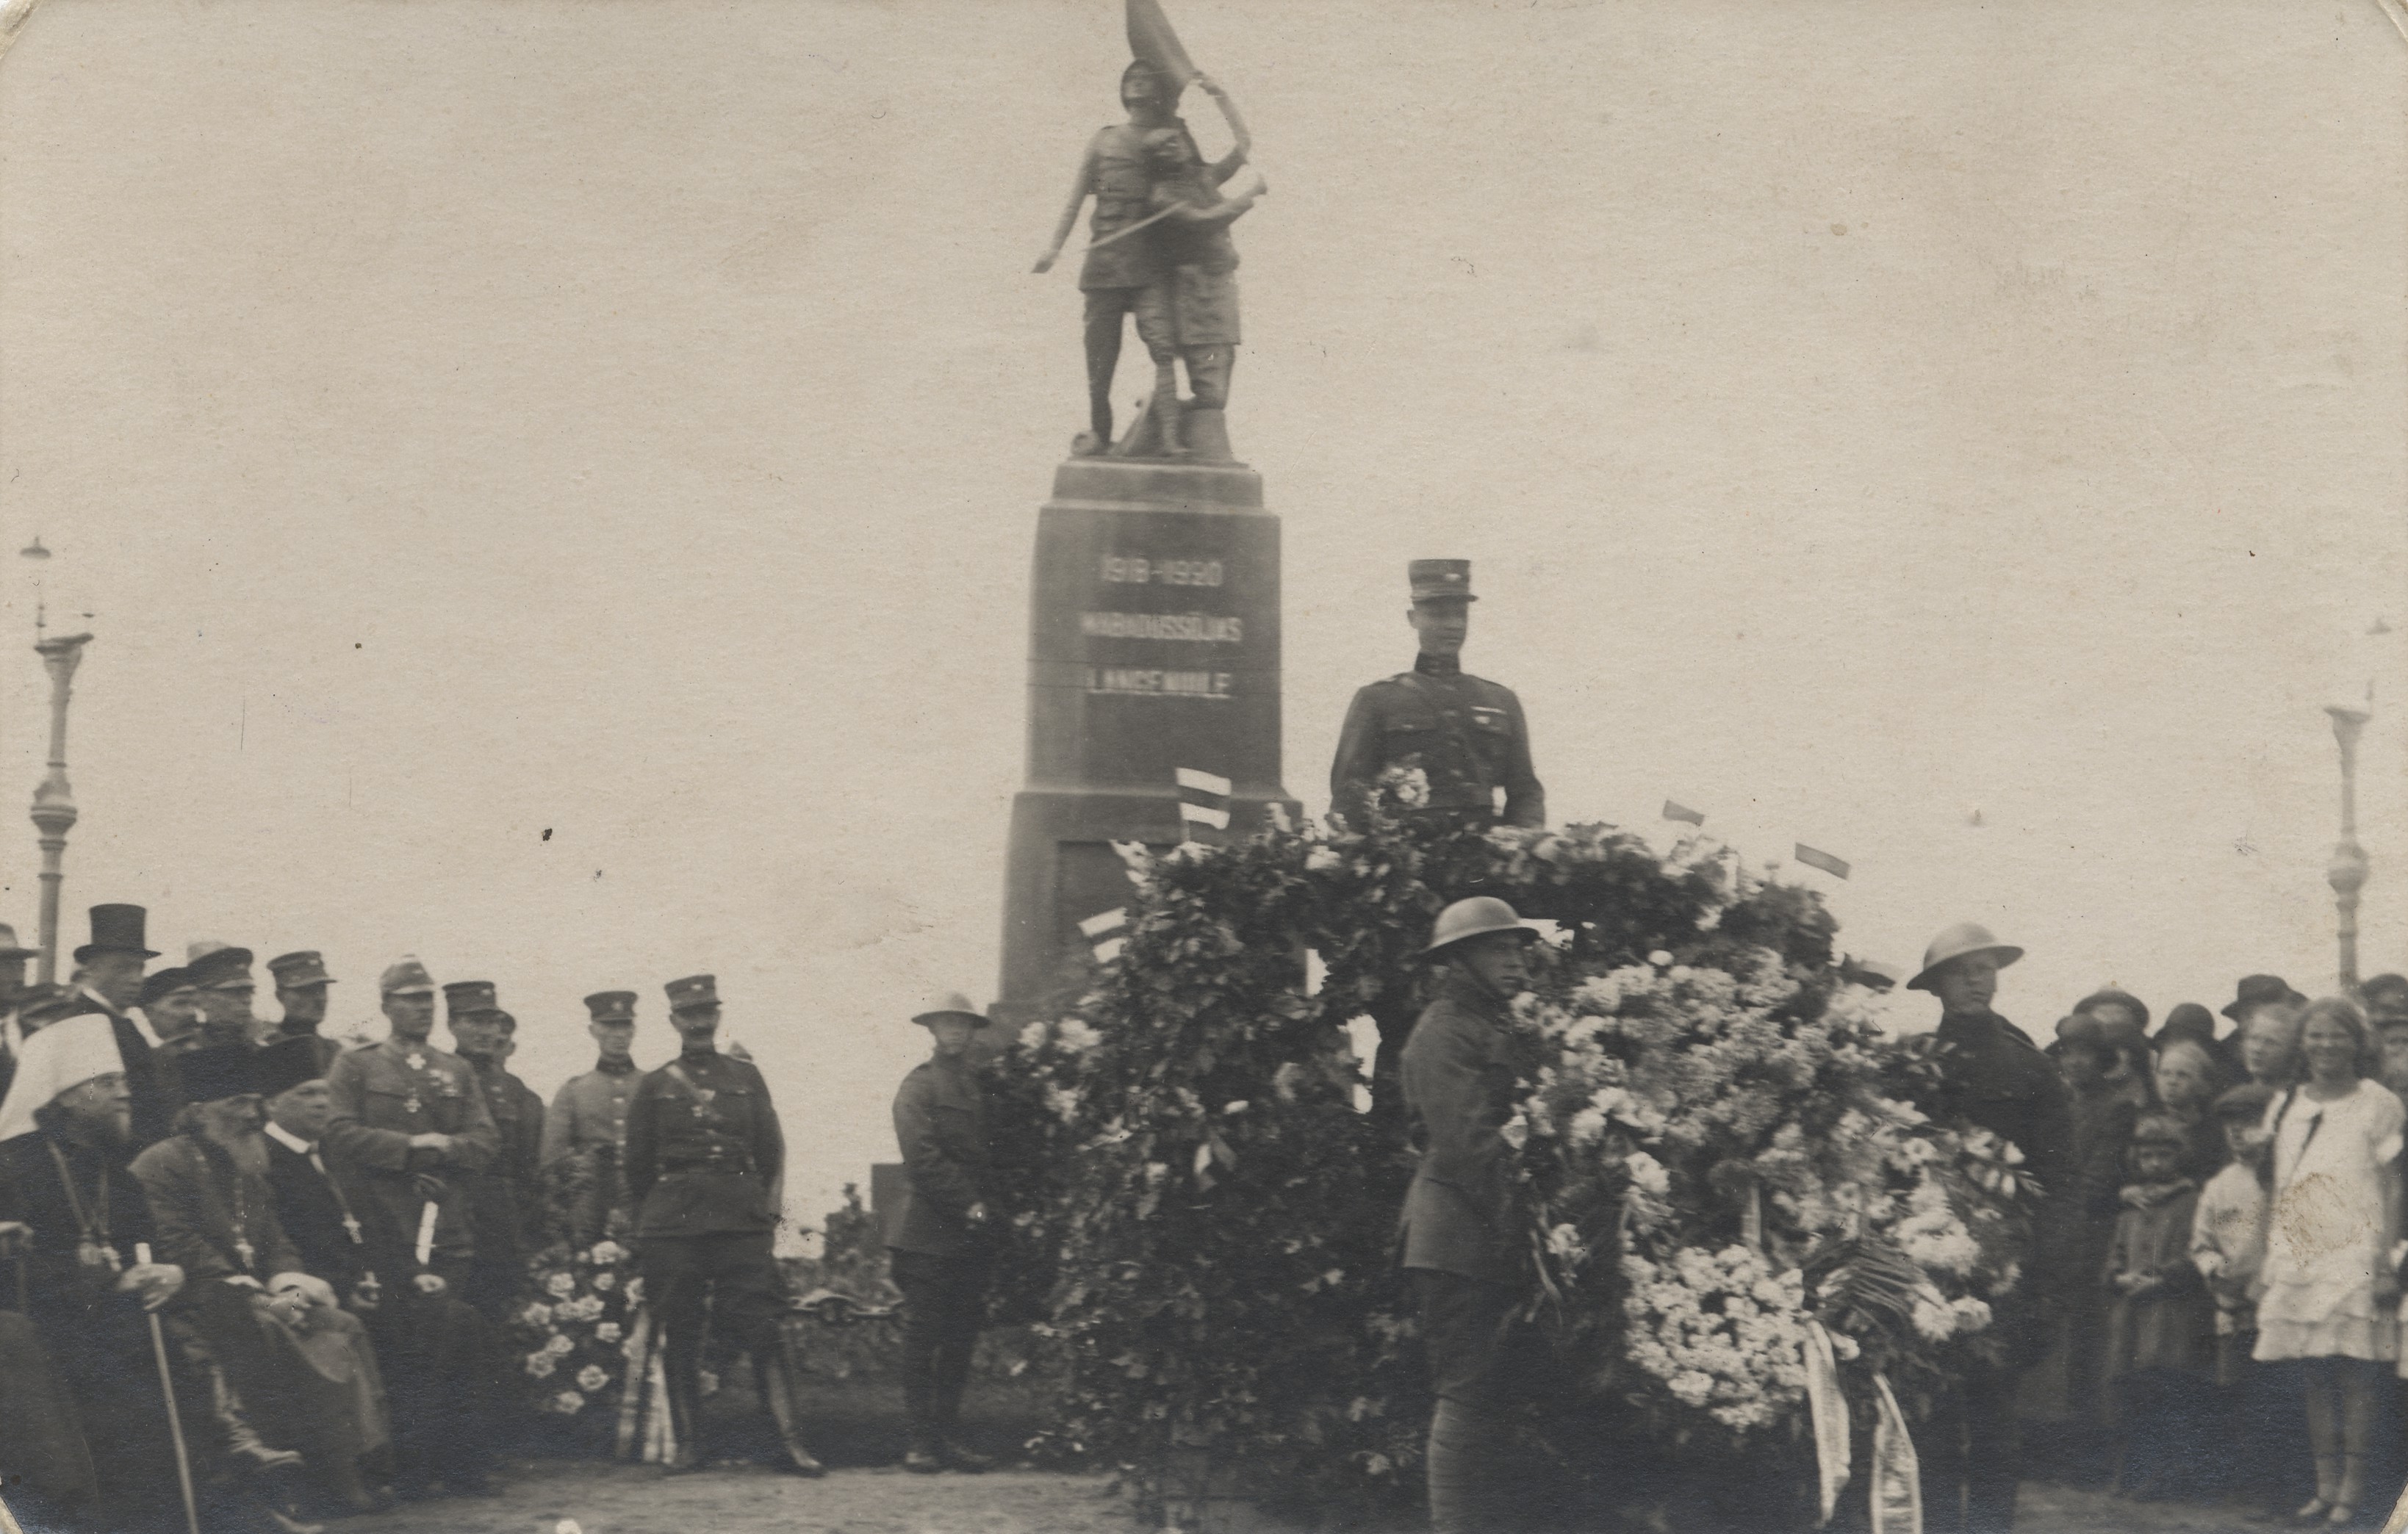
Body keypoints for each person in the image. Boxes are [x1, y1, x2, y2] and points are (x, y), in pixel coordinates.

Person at [0, 1014, 313, 1533]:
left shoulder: (113, 1169)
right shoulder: (13, 1166)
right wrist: (102, 1284)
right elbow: (17, 1267)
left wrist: (168, 1274)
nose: (125, 1095)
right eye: (108, 1084)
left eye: (124, 1082)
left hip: (117, 1323)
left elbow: (149, 1248)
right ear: (66, 1097)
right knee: (145, 1367)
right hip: (44, 1329)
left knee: (180, 1341)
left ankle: (224, 1501)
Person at [130, 1044, 392, 1514]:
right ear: (197, 1112)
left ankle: (351, 1464)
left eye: (255, 1102)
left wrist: (288, 1282)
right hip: (202, 1298)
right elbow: (175, 1240)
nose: (253, 1115)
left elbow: (274, 1238)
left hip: (263, 1297)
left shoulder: (246, 1163)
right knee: (275, 1330)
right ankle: (302, 1480)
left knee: (337, 1324)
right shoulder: (161, 1162)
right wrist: (246, 1285)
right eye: (238, 1104)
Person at [255, 1034, 498, 1501]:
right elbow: (283, 1247)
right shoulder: (266, 1162)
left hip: (377, 1283)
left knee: (461, 1319)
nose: (320, 1102)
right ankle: (405, 1468)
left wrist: (411, 1271)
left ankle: (458, 1466)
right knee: (422, 1328)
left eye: (325, 1092)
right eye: (305, 1094)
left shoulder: (334, 1153)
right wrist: (346, 1288)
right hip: (313, 1295)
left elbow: (379, 1226)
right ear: (271, 1105)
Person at [623, 973, 820, 1475]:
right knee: (680, 1329)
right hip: (675, 1223)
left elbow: (768, 1148)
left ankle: (789, 1442)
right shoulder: (654, 1084)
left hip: (738, 1219)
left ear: (717, 1016)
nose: (699, 1022)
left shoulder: (746, 1078)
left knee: (763, 1326)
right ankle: (690, 1445)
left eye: (707, 1012)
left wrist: (759, 1210)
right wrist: (664, 1212)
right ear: (673, 1021)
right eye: (688, 1015)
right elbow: (638, 1166)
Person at [1907, 921, 2068, 1534]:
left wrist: (2046, 1275)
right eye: (1960, 971)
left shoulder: (2028, 1068)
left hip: (2005, 1263)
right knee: (1932, 1415)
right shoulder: (1915, 1062)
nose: (1976, 982)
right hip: (1925, 1255)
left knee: (1996, 1414)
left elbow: (2060, 1175)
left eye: (1984, 969)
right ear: (1937, 986)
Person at [1400, 896, 1545, 1534]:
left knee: (1494, 1401)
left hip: (1488, 1237)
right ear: (1458, 959)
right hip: (1459, 1238)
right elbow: (1470, 1149)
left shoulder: (1494, 1025)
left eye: (1518, 949)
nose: (1514, 962)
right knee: (1465, 1397)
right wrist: (1533, 1227)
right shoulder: (1442, 1030)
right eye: (1496, 949)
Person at [1033, 60, 1251, 454]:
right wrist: (1054, 247)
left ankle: (1169, 438)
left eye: (1146, 79)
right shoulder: (1104, 139)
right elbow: (1076, 198)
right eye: (1130, 78)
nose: (1137, 83)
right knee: (1100, 362)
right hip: (1102, 263)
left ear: (1157, 93)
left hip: (1150, 266)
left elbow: (1198, 182)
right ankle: (1100, 434)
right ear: (1122, 90)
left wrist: (1216, 100)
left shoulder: (1169, 141)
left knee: (1163, 349)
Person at [2254, 997, 2401, 1527]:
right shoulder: (2286, 1102)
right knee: (2313, 1370)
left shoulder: (2377, 1102)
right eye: (2315, 1035)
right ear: (2302, 1043)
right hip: (2299, 1253)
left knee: (2353, 1372)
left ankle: (2353, 1490)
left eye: (2337, 1035)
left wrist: (2384, 1260)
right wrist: (2267, 1258)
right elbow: (2278, 1184)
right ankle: (2324, 1485)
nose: (2324, 1045)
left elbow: (2392, 1183)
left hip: (2355, 1252)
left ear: (2357, 1043)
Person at [321, 958, 497, 1297]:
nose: (423, 1008)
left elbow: (486, 1139)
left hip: (448, 1223)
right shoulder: (356, 1063)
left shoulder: (456, 1068)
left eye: (428, 999)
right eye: (411, 999)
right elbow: (337, 1132)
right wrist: (408, 1146)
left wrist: (447, 1146)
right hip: (382, 1221)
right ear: (386, 1005)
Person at [1331, 559, 1544, 833]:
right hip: (1407, 862)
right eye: (1439, 615)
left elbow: (1525, 791)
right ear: (1413, 618)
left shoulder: (1501, 701)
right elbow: (1350, 795)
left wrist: (1521, 846)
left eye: (1460, 614)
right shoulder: (1377, 700)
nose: (1453, 625)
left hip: (1485, 863)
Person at [889, 990, 1003, 1474]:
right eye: (945, 1024)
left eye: (962, 1024)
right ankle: (919, 1441)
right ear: (931, 1030)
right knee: (924, 1336)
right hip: (928, 1234)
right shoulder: (918, 1088)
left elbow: (991, 1157)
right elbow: (923, 1159)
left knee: (961, 1338)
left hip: (971, 1234)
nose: (954, 1031)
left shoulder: (978, 1087)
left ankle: (949, 1435)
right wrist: (971, 1205)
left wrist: (991, 1211)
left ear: (972, 1031)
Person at [1128, 123, 1264, 460]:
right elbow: (1205, 221)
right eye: (1161, 147)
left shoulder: (1203, 177)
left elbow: (1243, 144)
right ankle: (1162, 415)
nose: (1172, 147)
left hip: (1223, 284)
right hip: (1196, 292)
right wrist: (1249, 198)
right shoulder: (1162, 196)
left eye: (1174, 140)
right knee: (1211, 396)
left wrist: (1219, 96)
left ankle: (1161, 408)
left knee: (1218, 395)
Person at [2098, 1113, 2213, 1501]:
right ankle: (2126, 1471)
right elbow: (2116, 1251)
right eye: (2147, 1157)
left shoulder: (2191, 1201)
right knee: (2128, 1393)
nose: (2155, 1164)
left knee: (2163, 1390)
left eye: (2164, 1156)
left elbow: (2197, 1252)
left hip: (2169, 1313)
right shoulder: (2131, 1206)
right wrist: (2117, 1276)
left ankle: (2163, 1473)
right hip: (2130, 1314)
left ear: (2179, 1158)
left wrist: (2161, 1277)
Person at [2190, 1081, 2285, 1513]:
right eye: (2230, 1125)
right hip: (2232, 1306)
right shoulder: (2220, 1185)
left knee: (2277, 1394)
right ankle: (2248, 1485)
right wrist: (2214, 1269)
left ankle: (2280, 1489)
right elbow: (2202, 1242)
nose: (2238, 1134)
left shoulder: (2285, 1177)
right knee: (2239, 1395)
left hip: (2275, 1302)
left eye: (2248, 1123)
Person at [442, 980, 544, 1323]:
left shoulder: (513, 1089)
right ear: (452, 1025)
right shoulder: (440, 1075)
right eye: (474, 1022)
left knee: (502, 1309)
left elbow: (528, 1164)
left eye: (490, 1022)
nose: (485, 1032)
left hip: (502, 1216)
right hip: (453, 1211)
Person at [69, 902, 177, 1148]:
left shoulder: (128, 1021)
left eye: (140, 968)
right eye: (123, 968)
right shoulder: (82, 1023)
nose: (136, 979)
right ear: (92, 969)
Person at [542, 990, 644, 1245]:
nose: (619, 1034)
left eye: (625, 1025)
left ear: (633, 1030)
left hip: (643, 1201)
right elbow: (552, 1158)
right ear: (593, 1031)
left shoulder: (652, 1085)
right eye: (610, 1026)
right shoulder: (574, 1090)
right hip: (590, 1205)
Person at [2150, 1036, 2226, 1181]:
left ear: (2203, 1086)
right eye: (2165, 1073)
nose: (2172, 1082)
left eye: (2182, 1075)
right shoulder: (2143, 1123)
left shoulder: (2213, 1131)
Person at [265, 951, 342, 1073]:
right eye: (307, 991)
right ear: (280, 996)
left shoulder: (337, 1053)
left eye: (322, 989)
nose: (320, 999)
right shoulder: (265, 1049)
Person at [188, 943, 264, 1048]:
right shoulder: (187, 1051)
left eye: (249, 991)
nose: (247, 1000)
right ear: (202, 1000)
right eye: (234, 992)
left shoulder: (270, 1044)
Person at [140, 966, 205, 1055]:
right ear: (149, 1012)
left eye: (196, 1004)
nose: (192, 1012)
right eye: (180, 1003)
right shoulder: (147, 1061)